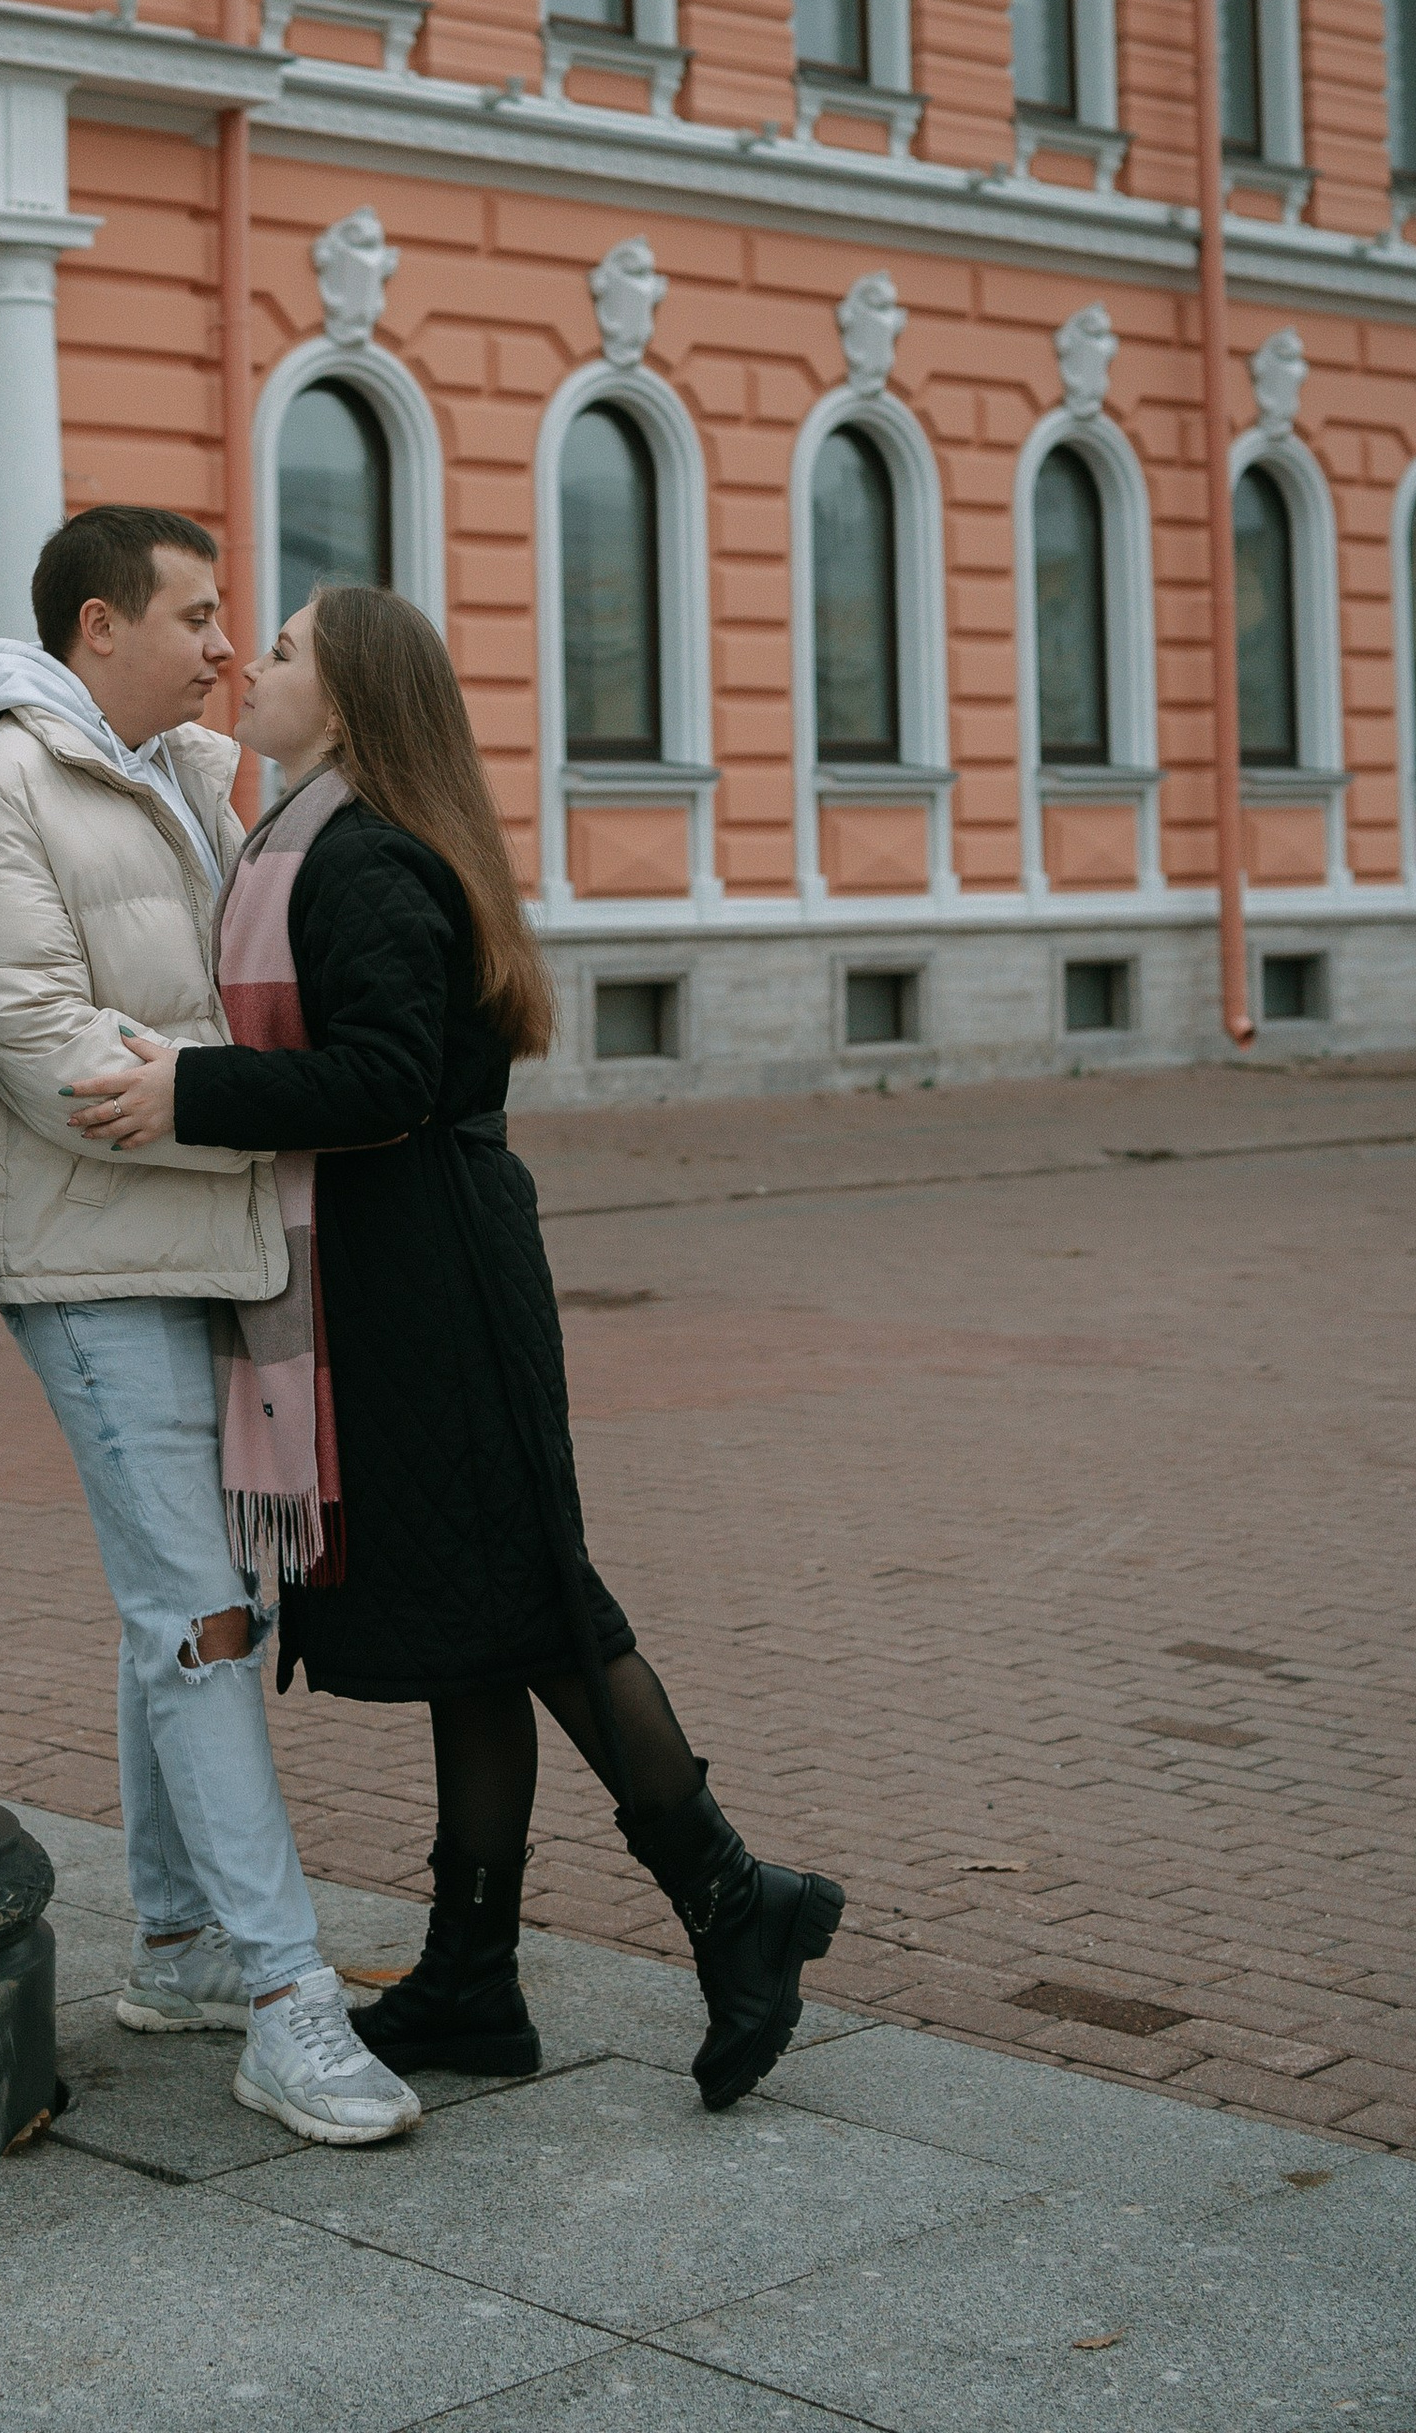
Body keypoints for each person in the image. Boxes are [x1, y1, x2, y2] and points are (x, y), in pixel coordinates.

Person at [65, 583, 844, 2114]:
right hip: (398, 1271)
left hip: (431, 1278)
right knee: (470, 1617)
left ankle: (735, 1897)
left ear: (346, 698)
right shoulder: (328, 839)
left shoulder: (367, 859)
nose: (252, 663)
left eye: (280, 649)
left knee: (537, 1603)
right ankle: (475, 1973)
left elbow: (385, 1078)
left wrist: (189, 1093)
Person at [0, 508, 421, 2148]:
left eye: (230, 619)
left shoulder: (191, 776)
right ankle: (285, 1998)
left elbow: (213, 1012)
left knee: (181, 1598)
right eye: (196, 615)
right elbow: (46, 1038)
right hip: (96, 1252)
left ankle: (183, 1943)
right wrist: (246, 1111)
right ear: (99, 623)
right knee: (200, 1611)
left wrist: (226, 1099)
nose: (223, 643)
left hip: (202, 1233)